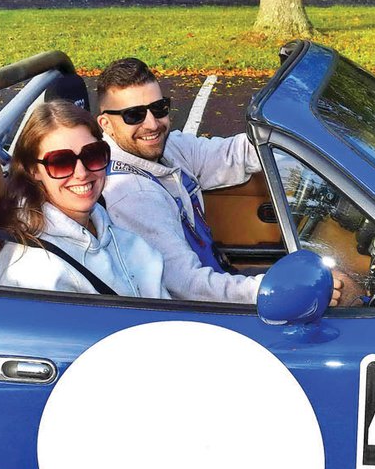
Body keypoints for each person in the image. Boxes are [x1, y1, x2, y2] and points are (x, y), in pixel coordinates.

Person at [97, 58, 343, 305]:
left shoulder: (169, 148)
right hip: (199, 314)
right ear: (106, 124)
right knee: (340, 289)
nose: (152, 124)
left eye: (159, 108)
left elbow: (236, 154)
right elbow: (188, 286)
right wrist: (278, 290)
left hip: (216, 281)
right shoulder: (131, 195)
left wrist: (302, 132)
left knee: (333, 283)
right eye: (134, 115)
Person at [0, 100, 168, 298]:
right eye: (61, 162)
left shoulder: (111, 230)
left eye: (92, 155)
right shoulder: (34, 270)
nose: (82, 173)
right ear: (34, 170)